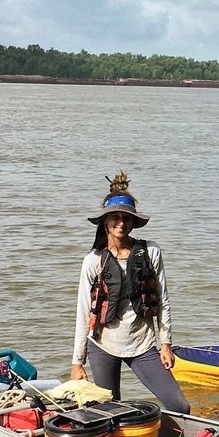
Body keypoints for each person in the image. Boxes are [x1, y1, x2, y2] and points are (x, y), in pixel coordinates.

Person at [71, 171, 191, 414]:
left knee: (180, 405)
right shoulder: (93, 261)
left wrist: (166, 343)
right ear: (105, 221)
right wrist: (77, 362)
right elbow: (83, 313)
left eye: (126, 218)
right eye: (115, 218)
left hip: (143, 345)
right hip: (103, 345)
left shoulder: (151, 252)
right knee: (108, 411)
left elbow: (163, 300)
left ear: (134, 221)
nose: (121, 223)